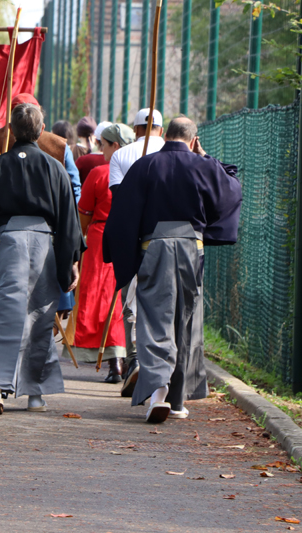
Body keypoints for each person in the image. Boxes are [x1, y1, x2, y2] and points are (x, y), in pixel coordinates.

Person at [103, 116, 242, 423]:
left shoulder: (146, 165)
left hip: (154, 247)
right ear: (193, 140)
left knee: (155, 318)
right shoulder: (203, 166)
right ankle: (177, 401)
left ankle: (158, 394)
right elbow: (231, 186)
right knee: (187, 319)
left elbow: (122, 212)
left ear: (165, 136)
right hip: (193, 247)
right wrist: (205, 157)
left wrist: (123, 255)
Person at [0, 104, 84, 415]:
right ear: (41, 130)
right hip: (44, 245)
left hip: (6, 243)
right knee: (40, 316)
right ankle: (35, 394)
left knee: (2, 312)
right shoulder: (54, 167)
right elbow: (68, 218)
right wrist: (70, 260)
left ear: (13, 132)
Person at [106, 108, 165, 397]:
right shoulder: (176, 152)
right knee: (166, 306)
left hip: (135, 239)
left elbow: (119, 201)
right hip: (173, 237)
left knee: (133, 302)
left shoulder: (121, 155)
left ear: (137, 128)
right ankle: (162, 370)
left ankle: (137, 360)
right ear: (162, 130)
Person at [72, 124, 136, 383]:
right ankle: (123, 360)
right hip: (130, 240)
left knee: (102, 298)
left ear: (116, 147)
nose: (100, 148)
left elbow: (83, 214)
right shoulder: (138, 173)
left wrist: (83, 238)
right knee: (123, 299)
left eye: (104, 144)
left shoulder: (99, 174)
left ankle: (114, 363)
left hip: (100, 241)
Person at [108, 108, 165, 193]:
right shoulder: (173, 153)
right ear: (161, 131)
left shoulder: (119, 154)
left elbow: (117, 192)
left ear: (136, 129)